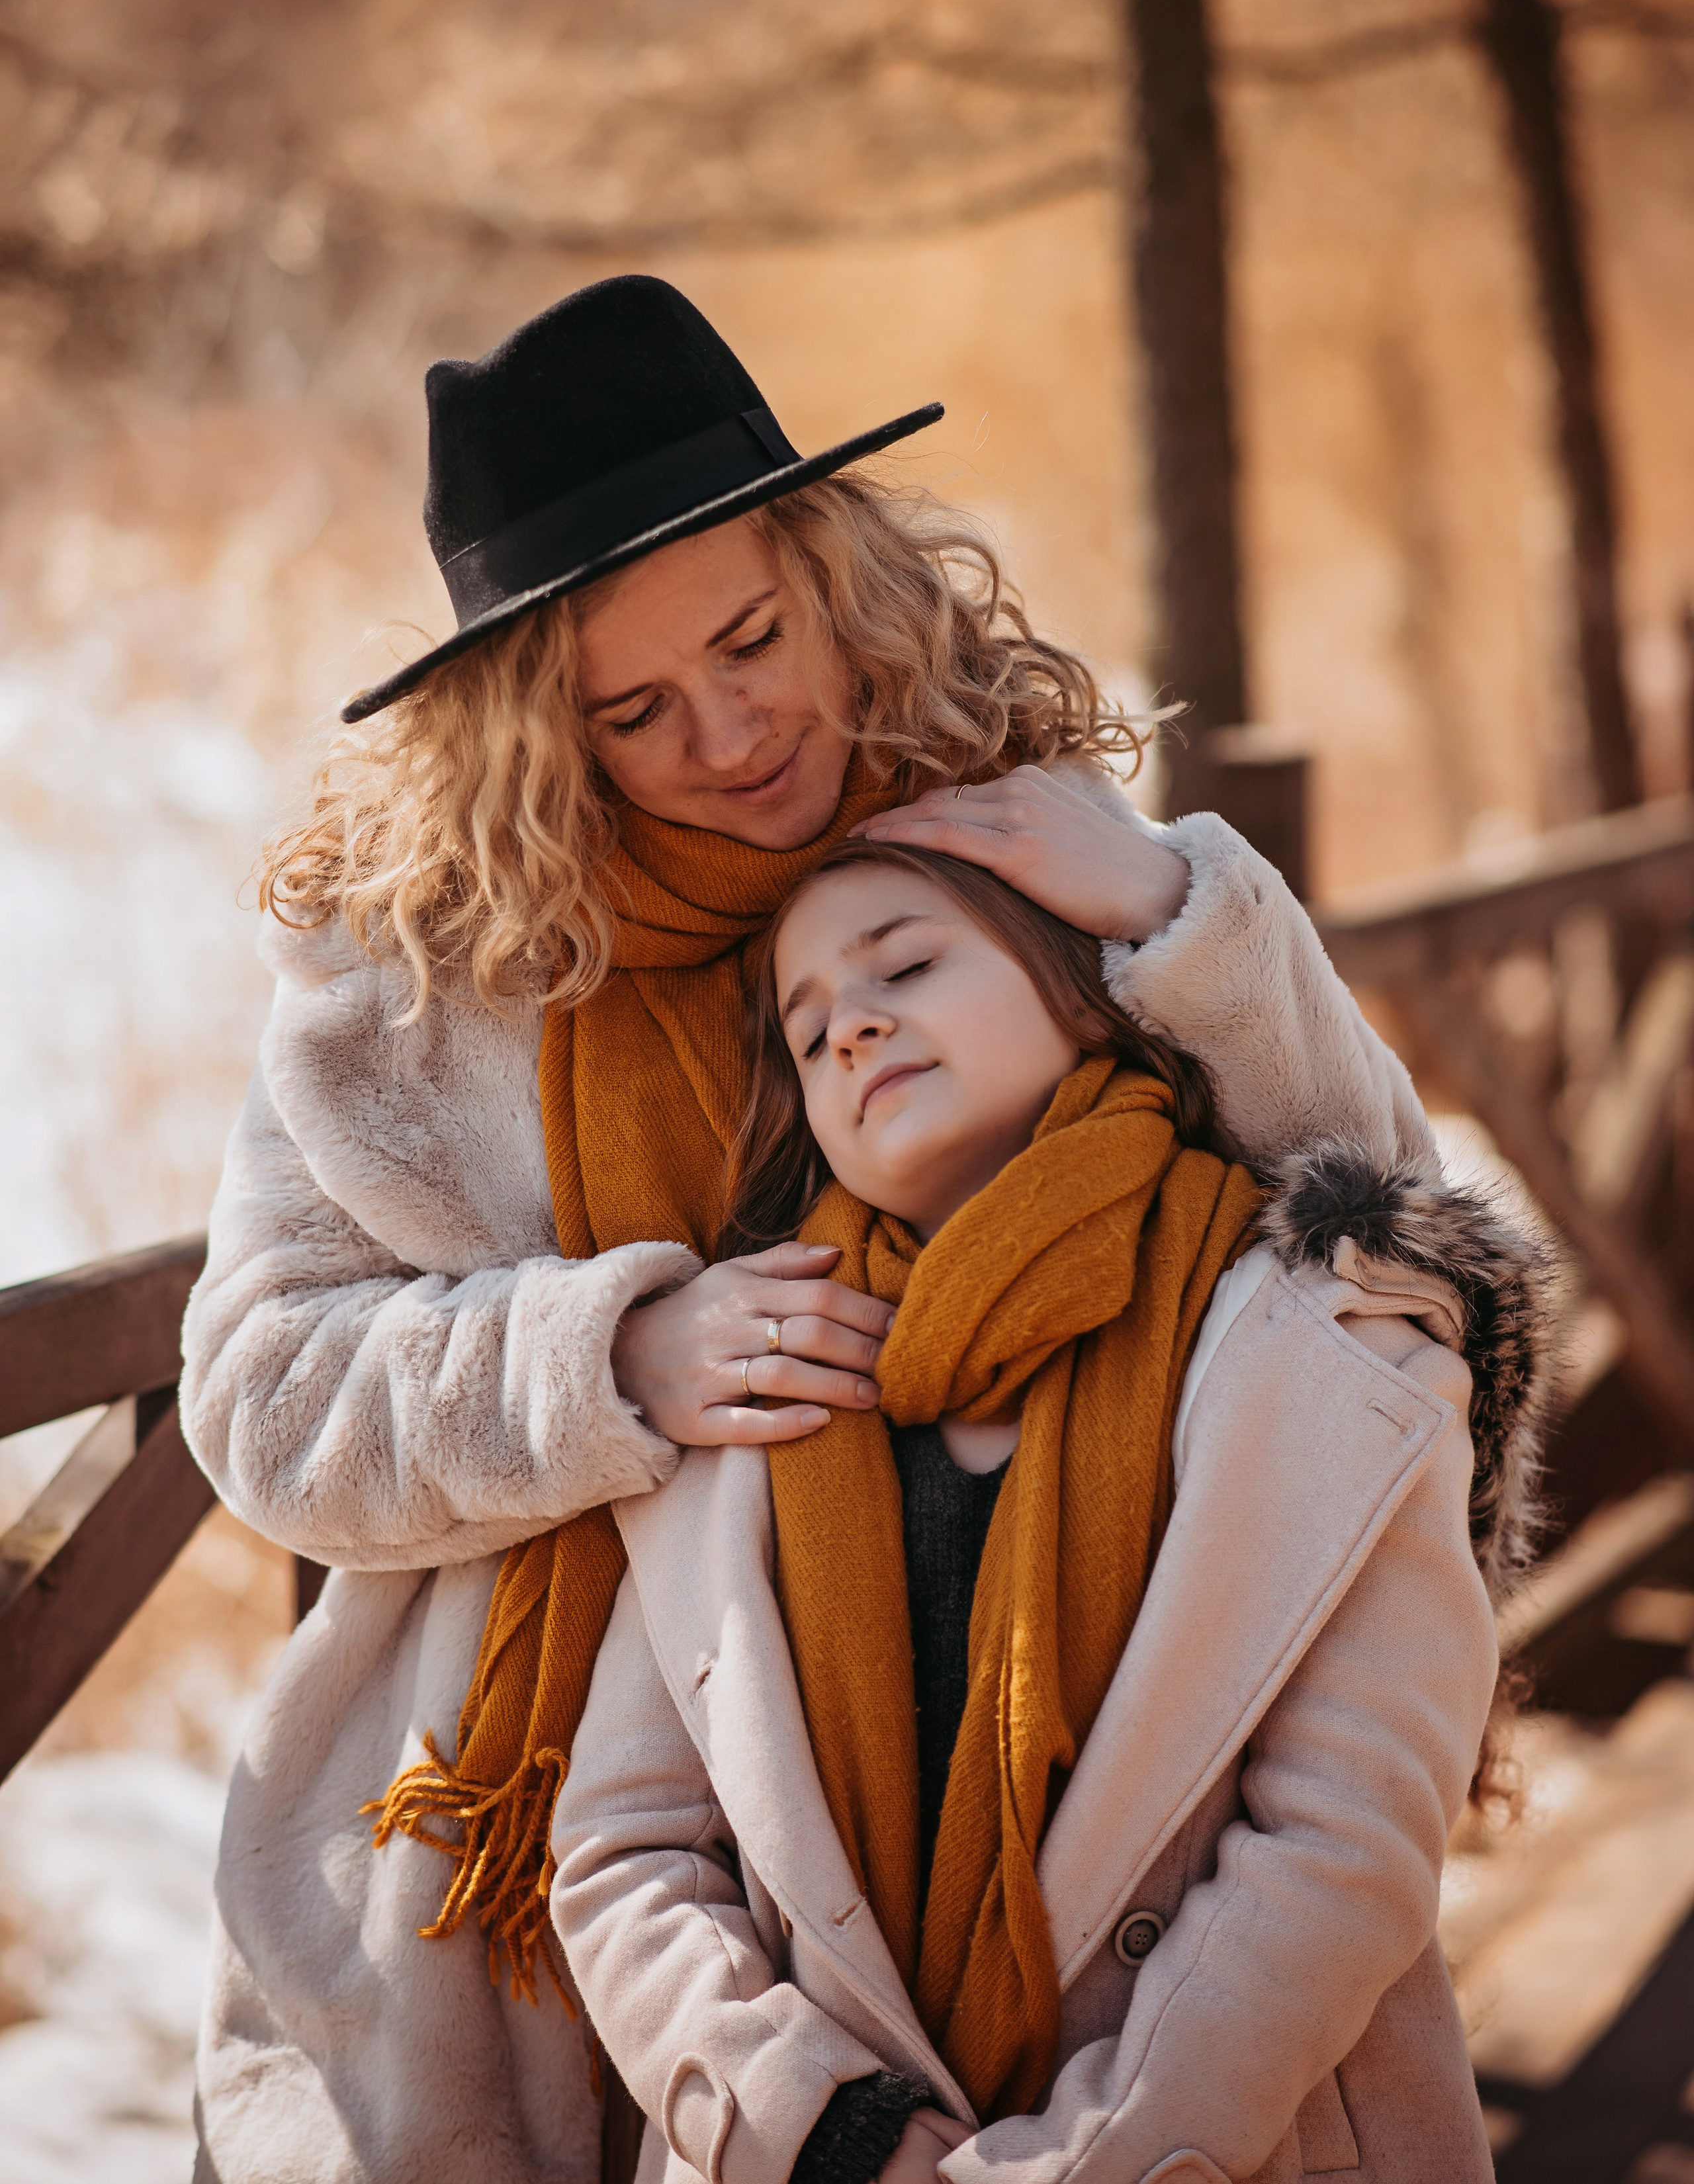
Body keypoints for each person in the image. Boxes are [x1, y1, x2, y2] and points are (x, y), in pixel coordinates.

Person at [181, 277, 1544, 2184]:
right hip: (541, 1849)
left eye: (752, 641)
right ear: (527, 731)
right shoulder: (423, 978)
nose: (732, 736)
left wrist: (1177, 910)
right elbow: (256, 1397)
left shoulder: (994, 832)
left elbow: (1399, 1251)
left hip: (1072, 1766)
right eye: (632, 712)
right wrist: (608, 1360)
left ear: (831, 568)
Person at [552, 838, 1544, 2184]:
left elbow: (1344, 1838)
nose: (850, 1023)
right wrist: (825, 2130)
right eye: (806, 1029)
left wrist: (1081, 2160)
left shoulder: (1325, 1346)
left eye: (904, 964)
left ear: (1086, 998)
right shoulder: (748, 1391)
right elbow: (626, 1848)